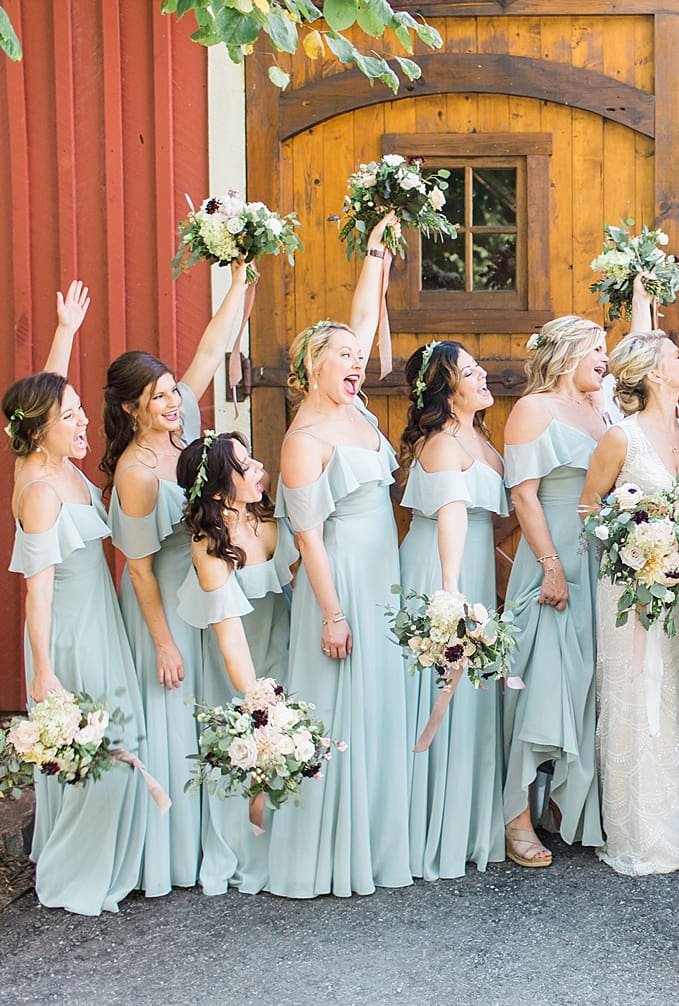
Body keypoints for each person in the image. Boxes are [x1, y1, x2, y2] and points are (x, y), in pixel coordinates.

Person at [267, 213, 414, 898]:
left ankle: (379, 842)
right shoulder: (305, 438)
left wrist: (376, 252)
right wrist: (330, 613)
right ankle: (328, 851)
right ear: (308, 367)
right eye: (342, 357)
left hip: (380, 575)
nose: (356, 364)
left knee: (379, 705)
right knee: (340, 707)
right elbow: (306, 539)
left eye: (359, 357)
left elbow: (361, 315)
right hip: (340, 581)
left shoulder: (354, 412)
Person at [103, 260, 253, 897]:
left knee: (208, 709)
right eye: (158, 395)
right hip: (160, 602)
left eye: (172, 390)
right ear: (133, 408)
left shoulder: (183, 430)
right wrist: (162, 641)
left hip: (199, 589)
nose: (173, 401)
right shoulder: (137, 472)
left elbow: (213, 346)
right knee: (172, 714)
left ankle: (214, 836)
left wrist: (242, 270)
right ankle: (170, 854)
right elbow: (137, 569)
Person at [2, 281, 146, 916]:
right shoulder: (39, 489)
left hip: (102, 622)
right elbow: (34, 593)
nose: (84, 420)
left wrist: (63, 331)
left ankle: (112, 861)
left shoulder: (58, 461)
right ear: (40, 430)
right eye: (72, 415)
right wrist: (46, 672)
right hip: (71, 636)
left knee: (118, 742)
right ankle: (70, 872)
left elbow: (48, 392)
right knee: (93, 755)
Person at [580, 331, 679, 876]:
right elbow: (588, 510)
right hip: (628, 587)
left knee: (668, 691)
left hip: (675, 584)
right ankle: (636, 831)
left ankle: (678, 824)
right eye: (678, 354)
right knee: (633, 691)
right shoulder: (620, 438)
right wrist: (632, 549)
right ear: (655, 372)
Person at [397, 340, 511, 881]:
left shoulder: (479, 436)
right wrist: (448, 597)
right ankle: (428, 832)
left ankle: (467, 829)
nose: (483, 374)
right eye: (469, 371)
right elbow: (451, 517)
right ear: (447, 389)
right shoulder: (442, 443)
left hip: (476, 568)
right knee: (442, 685)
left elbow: (496, 514)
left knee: (473, 697)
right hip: (445, 569)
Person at [501, 315, 611, 867]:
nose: (605, 358)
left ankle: (570, 810)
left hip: (598, 562)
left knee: (585, 682)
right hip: (554, 559)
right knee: (541, 683)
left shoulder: (601, 408)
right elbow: (524, 496)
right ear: (568, 351)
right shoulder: (533, 409)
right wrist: (550, 565)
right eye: (597, 348)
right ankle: (516, 819)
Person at [175, 431, 296, 895]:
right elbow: (230, 639)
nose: (260, 468)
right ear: (222, 489)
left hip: (279, 648)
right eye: (247, 465)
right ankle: (245, 846)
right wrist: (257, 704)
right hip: (237, 668)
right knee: (243, 751)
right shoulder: (210, 546)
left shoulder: (266, 524)